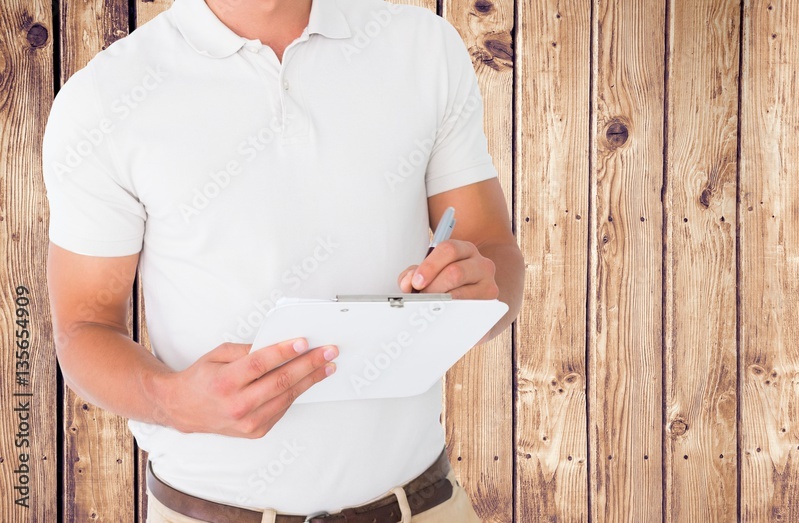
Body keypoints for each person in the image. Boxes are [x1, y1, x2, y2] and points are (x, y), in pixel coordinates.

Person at [43, 0, 524, 520]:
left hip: (424, 505)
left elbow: (495, 252)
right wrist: (170, 401)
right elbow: (82, 328)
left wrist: (478, 290)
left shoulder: (424, 47)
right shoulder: (104, 99)